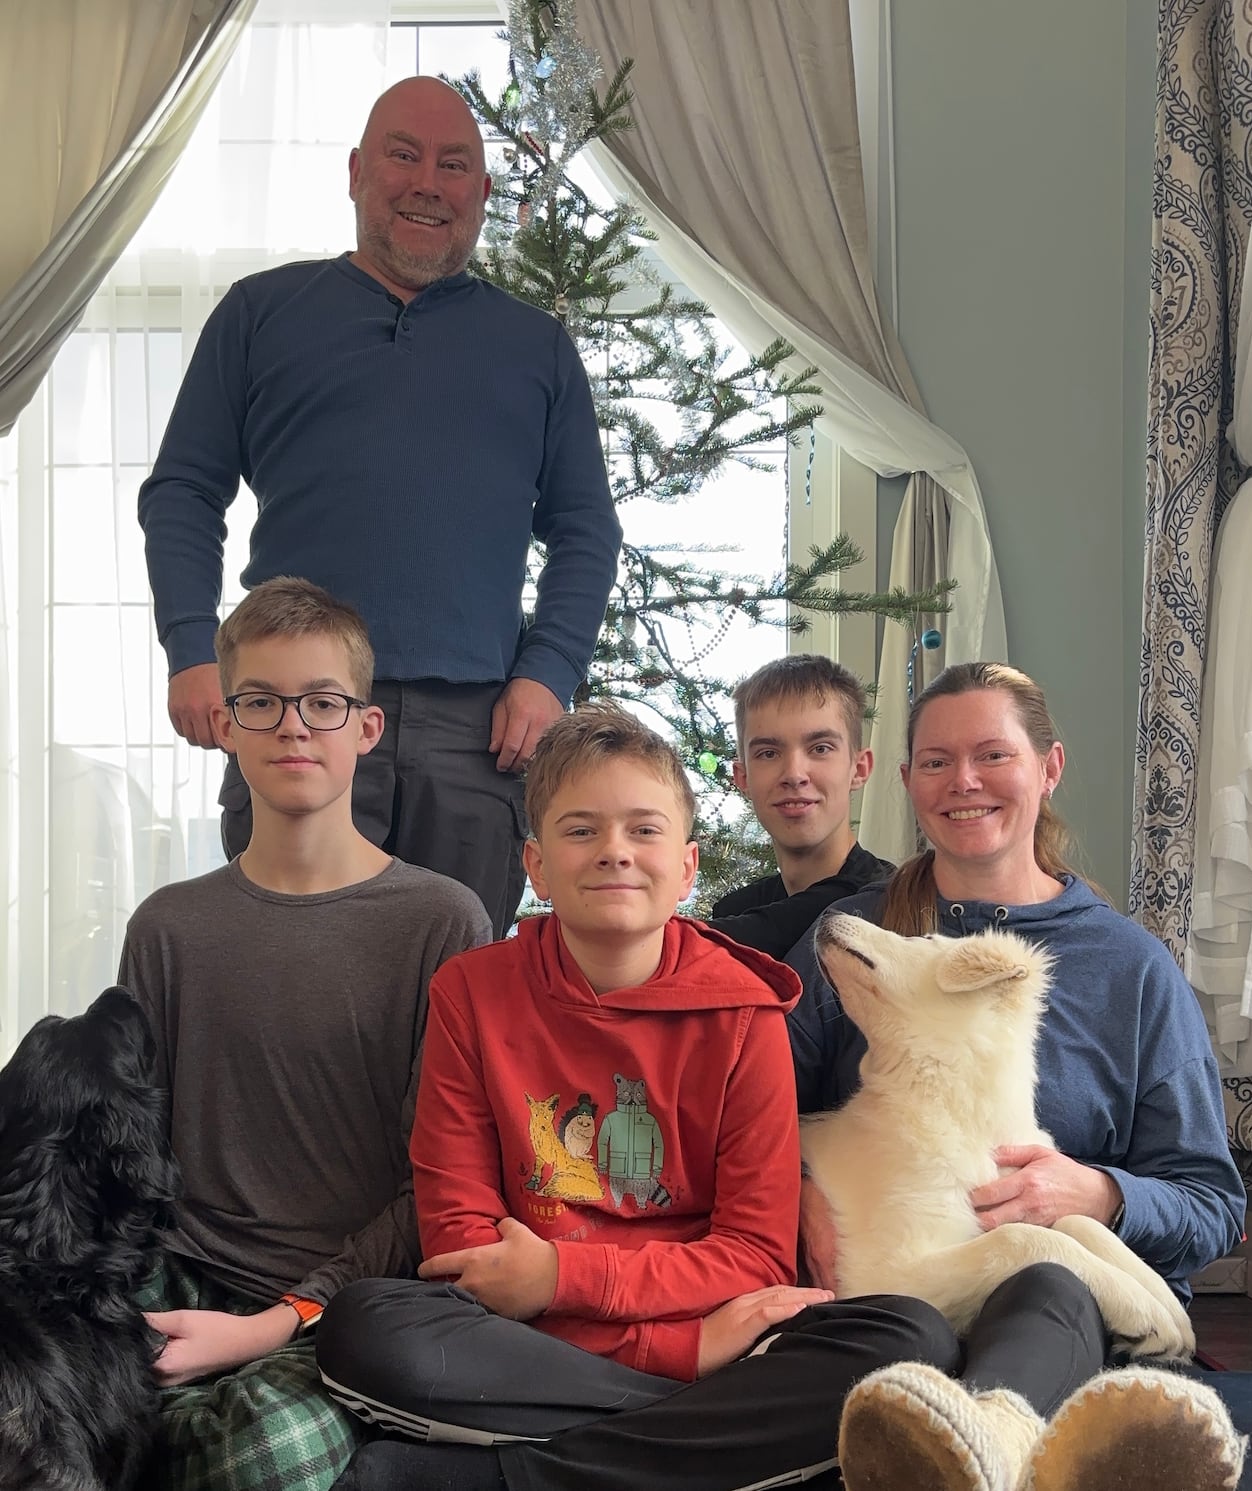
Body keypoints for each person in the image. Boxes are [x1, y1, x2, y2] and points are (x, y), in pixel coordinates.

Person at [313, 705, 981, 1491]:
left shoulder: (746, 1013)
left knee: (910, 1339)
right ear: (536, 866)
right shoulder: (470, 992)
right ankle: (698, 1444)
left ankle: (508, 1477)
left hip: (639, 1324)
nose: (615, 851)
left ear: (688, 866)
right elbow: (461, 1244)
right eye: (582, 830)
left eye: (643, 829)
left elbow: (756, 1252)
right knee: (367, 1329)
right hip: (557, 1337)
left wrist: (560, 1277)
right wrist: (681, 1354)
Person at [137, 75, 622, 938]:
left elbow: (586, 528)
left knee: (458, 989)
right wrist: (188, 647)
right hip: (296, 712)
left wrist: (548, 672)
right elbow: (183, 490)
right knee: (288, 974)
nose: (427, 183)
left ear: (481, 191)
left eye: (453, 165)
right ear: (357, 171)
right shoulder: (260, 315)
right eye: (404, 156)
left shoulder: (537, 348)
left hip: (475, 736)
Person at [786, 661, 1249, 1491]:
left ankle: (978, 1444)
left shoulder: (1131, 969)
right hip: (895, 1312)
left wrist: (1100, 1194)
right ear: (908, 782)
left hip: (1065, 1322)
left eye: (992, 754)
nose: (964, 781)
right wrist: (797, 1193)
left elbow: (1212, 1203)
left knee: (1048, 1283)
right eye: (937, 761)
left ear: (1049, 766)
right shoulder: (852, 938)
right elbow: (746, 1107)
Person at [119, 578, 491, 1491]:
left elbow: (441, 1181)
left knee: (262, 1458)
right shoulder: (167, 927)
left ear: (367, 727)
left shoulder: (442, 921)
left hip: (349, 1299)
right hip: (180, 1273)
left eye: (323, 703)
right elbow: (130, 1149)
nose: (294, 727)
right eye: (262, 702)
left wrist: (279, 1318)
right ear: (226, 723)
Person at [708, 654, 893, 956]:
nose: (794, 774)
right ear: (742, 777)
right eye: (768, 753)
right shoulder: (736, 910)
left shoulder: (891, 903)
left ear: (859, 769)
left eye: (820, 748)